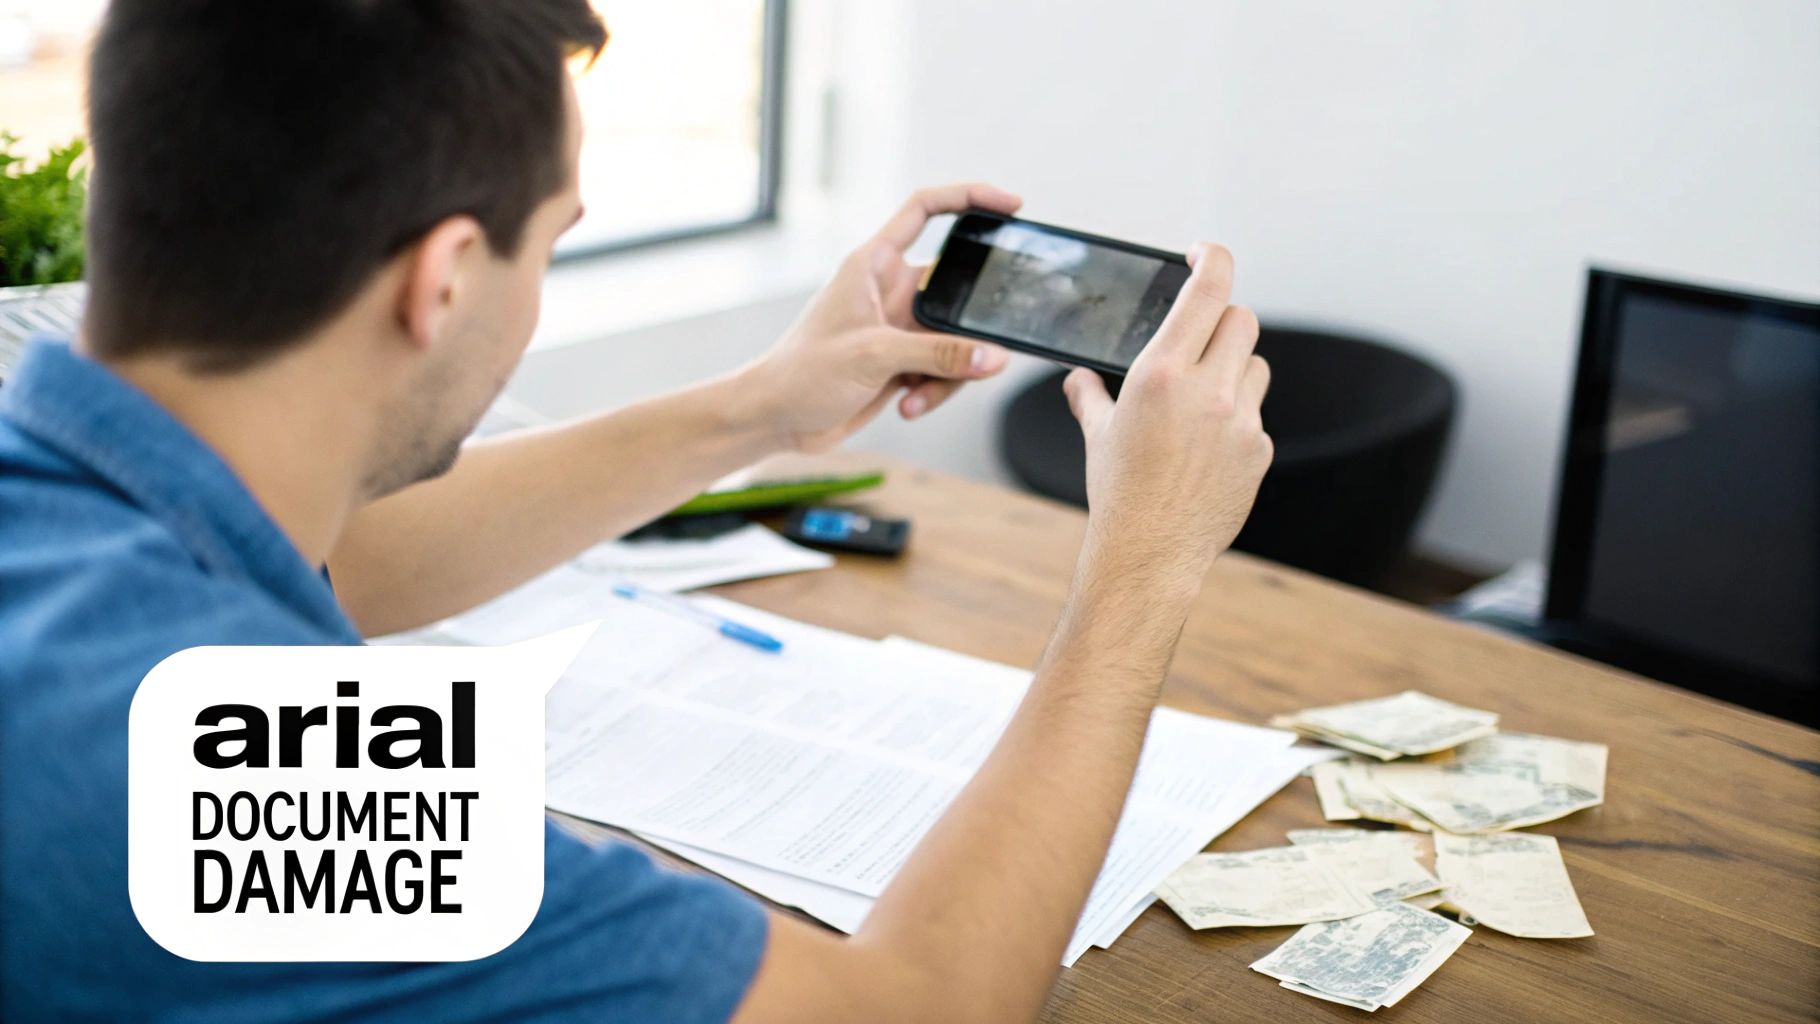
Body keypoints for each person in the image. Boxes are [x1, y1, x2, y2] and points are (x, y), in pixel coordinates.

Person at [0, 1, 1272, 1021]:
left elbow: (344, 561)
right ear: (444, 280)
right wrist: (1145, 560)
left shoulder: (75, 527)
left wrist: (763, 406)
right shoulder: (237, 780)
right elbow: (915, 1005)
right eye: (552, 239)